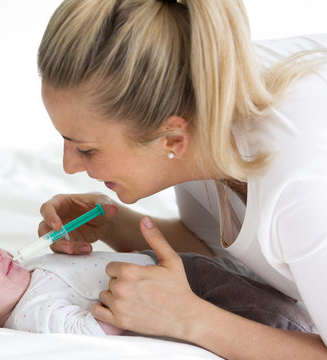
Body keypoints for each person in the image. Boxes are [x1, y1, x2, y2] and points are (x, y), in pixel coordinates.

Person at [36, 0, 327, 358]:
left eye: (86, 149)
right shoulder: (189, 91)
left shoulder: (304, 189)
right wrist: (109, 220)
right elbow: (221, 250)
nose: (69, 167)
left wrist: (189, 319)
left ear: (173, 139)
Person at [0, 234, 313, 336]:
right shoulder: (34, 313)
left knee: (257, 276)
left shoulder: (27, 274)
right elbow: (87, 332)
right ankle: (303, 326)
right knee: (270, 312)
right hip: (182, 290)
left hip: (175, 266)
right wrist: (119, 315)